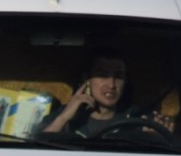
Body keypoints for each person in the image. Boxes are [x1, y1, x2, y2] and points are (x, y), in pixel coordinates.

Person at [42, 48, 174, 136]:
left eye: (118, 76)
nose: (111, 84)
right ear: (86, 80)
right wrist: (64, 118)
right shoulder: (62, 116)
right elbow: (38, 151)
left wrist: (156, 134)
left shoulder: (136, 120)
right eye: (102, 75)